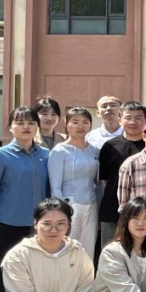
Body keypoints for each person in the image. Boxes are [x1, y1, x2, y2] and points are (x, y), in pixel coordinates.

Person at [0, 106, 51, 260]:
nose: (26, 127)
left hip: (38, 225)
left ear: (37, 127)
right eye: (20, 123)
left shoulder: (46, 155)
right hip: (6, 225)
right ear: (10, 127)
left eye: (31, 123)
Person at [48, 106, 101, 260]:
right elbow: (55, 186)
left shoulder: (94, 150)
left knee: (87, 251)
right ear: (66, 124)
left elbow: (97, 182)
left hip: (91, 205)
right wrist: (61, 212)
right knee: (66, 248)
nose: (80, 126)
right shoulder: (59, 151)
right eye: (75, 122)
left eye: (85, 122)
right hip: (70, 205)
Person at [97, 101, 146, 246]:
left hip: (143, 212)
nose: (133, 122)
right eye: (128, 118)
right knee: (109, 252)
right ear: (120, 120)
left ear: (145, 120)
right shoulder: (110, 146)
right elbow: (105, 180)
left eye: (138, 118)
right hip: (112, 210)